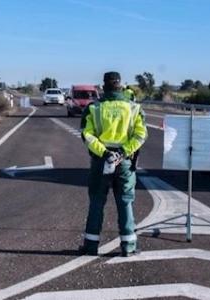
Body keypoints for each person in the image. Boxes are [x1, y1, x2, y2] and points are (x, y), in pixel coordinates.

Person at [79, 72, 147, 257]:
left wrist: (105, 153)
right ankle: (129, 247)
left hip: (102, 161)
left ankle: (91, 246)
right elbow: (141, 135)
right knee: (125, 202)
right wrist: (123, 152)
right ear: (120, 86)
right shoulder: (133, 108)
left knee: (97, 202)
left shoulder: (95, 108)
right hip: (124, 161)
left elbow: (87, 135)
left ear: (104, 86)